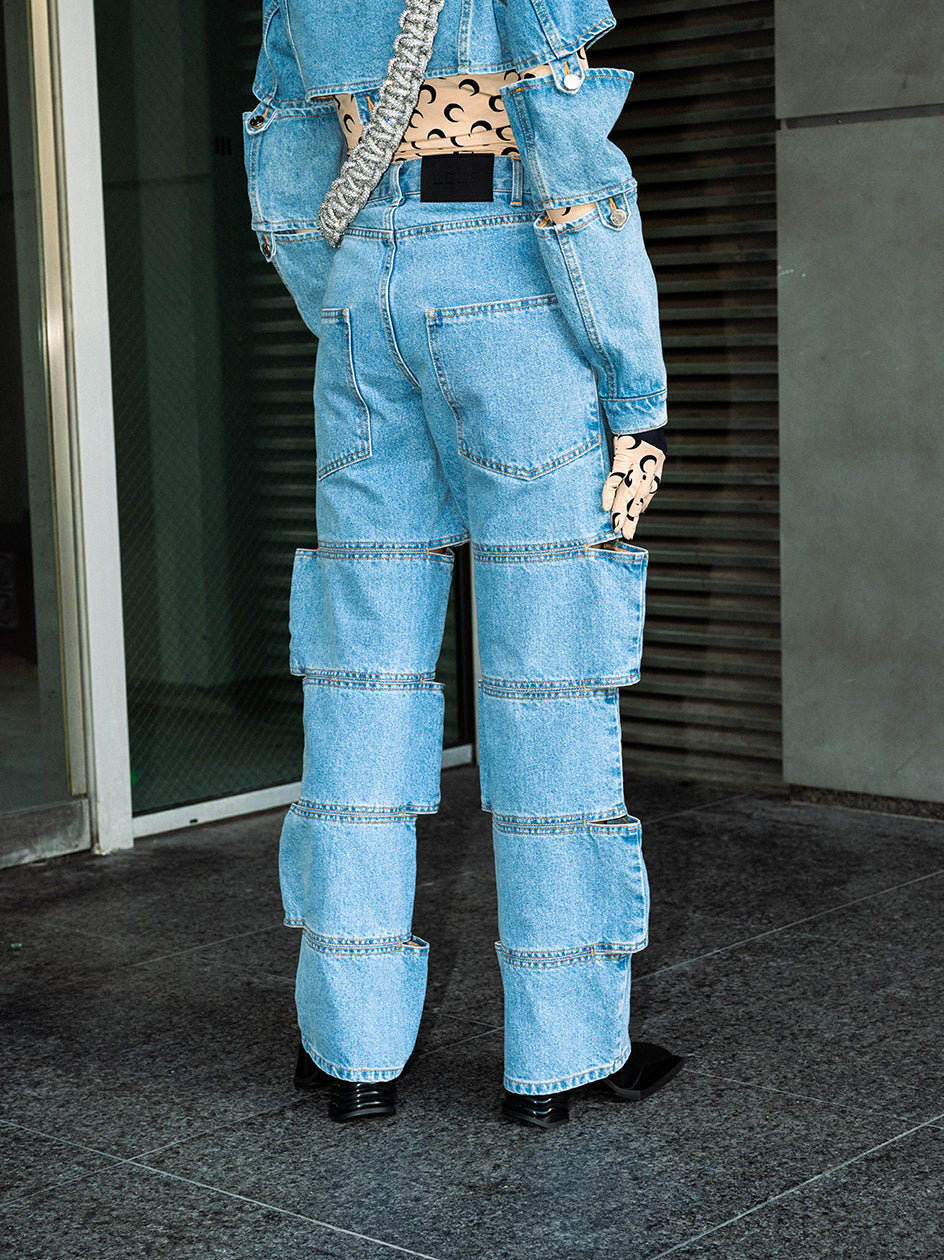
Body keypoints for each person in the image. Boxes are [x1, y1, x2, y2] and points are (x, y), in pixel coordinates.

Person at [244, 0, 683, 1128]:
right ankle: (560, 1056)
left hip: (364, 303)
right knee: (546, 687)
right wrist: (635, 391)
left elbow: (286, 171)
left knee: (360, 684)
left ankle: (352, 1054)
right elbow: (574, 172)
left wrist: (354, 302)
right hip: (514, 288)